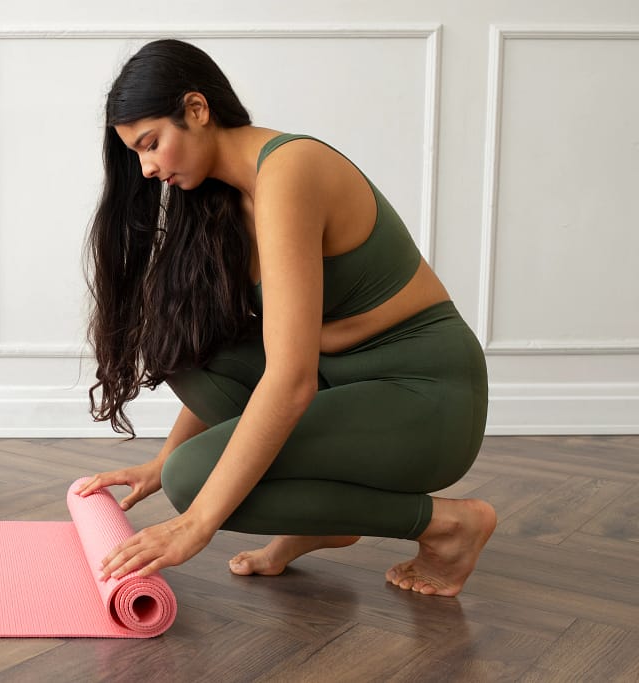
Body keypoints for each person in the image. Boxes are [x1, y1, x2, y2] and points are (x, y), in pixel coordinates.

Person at [75, 39, 495, 597]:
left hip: (425, 399)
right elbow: (264, 355)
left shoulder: (289, 171)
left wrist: (194, 524)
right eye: (137, 155)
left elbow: (291, 377)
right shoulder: (228, 197)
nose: (148, 168)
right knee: (182, 348)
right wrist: (161, 460)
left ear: (197, 110)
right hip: (345, 382)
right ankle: (328, 518)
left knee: (193, 481)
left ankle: (448, 525)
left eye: (151, 144)